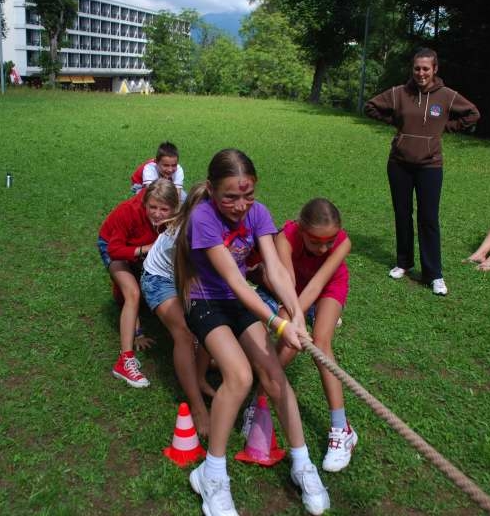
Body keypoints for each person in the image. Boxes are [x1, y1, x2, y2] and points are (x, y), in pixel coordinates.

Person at [176, 149, 330, 516]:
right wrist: (278, 324)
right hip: (207, 301)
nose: (241, 205)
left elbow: (275, 270)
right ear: (212, 190)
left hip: (240, 300)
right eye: (230, 196)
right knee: (240, 375)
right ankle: (211, 475)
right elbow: (234, 278)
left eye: (248, 195)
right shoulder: (203, 217)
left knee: (275, 375)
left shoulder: (258, 214)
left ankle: (302, 464)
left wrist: (296, 315)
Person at [245, 198, 358, 473]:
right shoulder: (286, 237)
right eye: (316, 242)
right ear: (302, 230)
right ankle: (258, 400)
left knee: (320, 341)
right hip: (291, 288)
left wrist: (297, 318)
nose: (323, 248)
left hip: (328, 287)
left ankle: (341, 429)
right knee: (290, 341)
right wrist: (293, 319)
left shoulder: (343, 243)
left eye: (328, 242)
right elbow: (288, 284)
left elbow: (320, 283)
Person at [365, 48, 480, 296]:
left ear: (435, 69)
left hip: (430, 165)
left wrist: (446, 128)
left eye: (426, 68)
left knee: (428, 218)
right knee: (402, 213)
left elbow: (473, 114)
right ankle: (403, 262)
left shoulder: (447, 96)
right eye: (417, 68)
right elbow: (371, 106)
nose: (421, 73)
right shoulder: (399, 93)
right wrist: (398, 124)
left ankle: (433, 274)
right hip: (399, 163)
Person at [140, 183, 214, 436]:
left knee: (207, 322)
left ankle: (201, 378)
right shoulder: (183, 235)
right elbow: (188, 276)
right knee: (184, 331)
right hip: (159, 278)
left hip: (189, 276)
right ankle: (197, 407)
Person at [97, 178, 179, 388]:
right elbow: (115, 250)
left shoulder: (177, 217)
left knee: (140, 289)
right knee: (132, 292)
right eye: (152, 207)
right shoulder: (129, 211)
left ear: (174, 208)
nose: (158, 213)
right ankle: (124, 361)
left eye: (164, 209)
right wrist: (145, 249)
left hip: (141, 247)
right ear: (145, 204)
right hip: (113, 246)